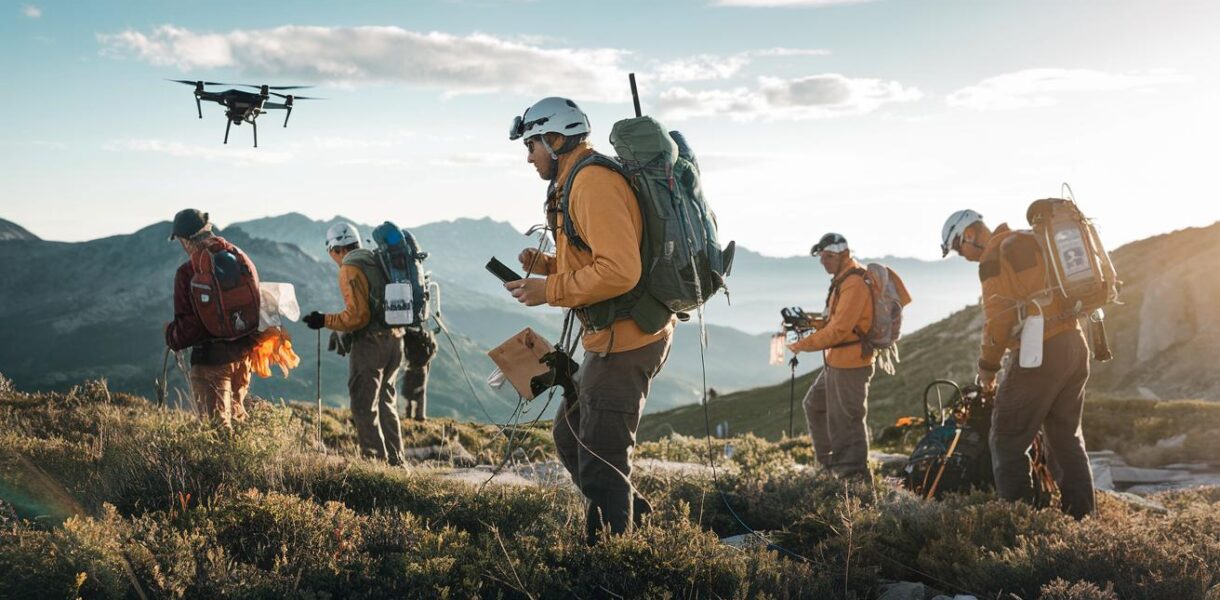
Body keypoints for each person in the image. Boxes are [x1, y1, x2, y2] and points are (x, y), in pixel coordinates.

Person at [505, 97, 674, 543]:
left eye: (532, 145)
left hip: (628, 338)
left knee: (600, 455)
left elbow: (620, 270)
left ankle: (611, 561)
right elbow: (595, 256)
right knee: (569, 433)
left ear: (556, 140)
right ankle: (633, 516)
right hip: (609, 334)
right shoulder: (574, 179)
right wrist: (547, 266)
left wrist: (550, 291)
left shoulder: (592, 182)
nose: (529, 157)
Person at [941, 209, 1095, 519]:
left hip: (1040, 353)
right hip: (1075, 344)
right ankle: (1082, 521)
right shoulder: (1030, 238)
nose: (963, 256)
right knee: (1065, 438)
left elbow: (999, 321)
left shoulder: (994, 256)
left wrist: (987, 367)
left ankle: (1018, 523)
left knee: (1006, 440)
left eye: (958, 248)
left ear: (969, 235)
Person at [304, 223, 406, 466]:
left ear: (335, 248)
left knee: (363, 404)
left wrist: (324, 320)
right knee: (385, 402)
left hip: (372, 345)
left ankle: (375, 464)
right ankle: (397, 462)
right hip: (395, 340)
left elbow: (359, 316)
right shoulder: (376, 259)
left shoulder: (350, 267)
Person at [787, 233, 876, 480]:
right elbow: (832, 321)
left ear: (844, 255)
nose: (823, 262)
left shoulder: (854, 283)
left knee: (847, 418)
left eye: (828, 257)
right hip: (836, 361)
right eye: (821, 257)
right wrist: (807, 323)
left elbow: (838, 330)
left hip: (851, 363)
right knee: (815, 405)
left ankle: (854, 478)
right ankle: (828, 468)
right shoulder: (842, 279)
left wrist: (803, 345)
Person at [165, 209, 256, 428]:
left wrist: (171, 335)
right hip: (242, 357)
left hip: (210, 361)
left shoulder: (188, 272)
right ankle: (244, 462)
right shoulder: (237, 256)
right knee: (237, 421)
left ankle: (219, 464)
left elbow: (190, 328)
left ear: (184, 240)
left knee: (214, 429)